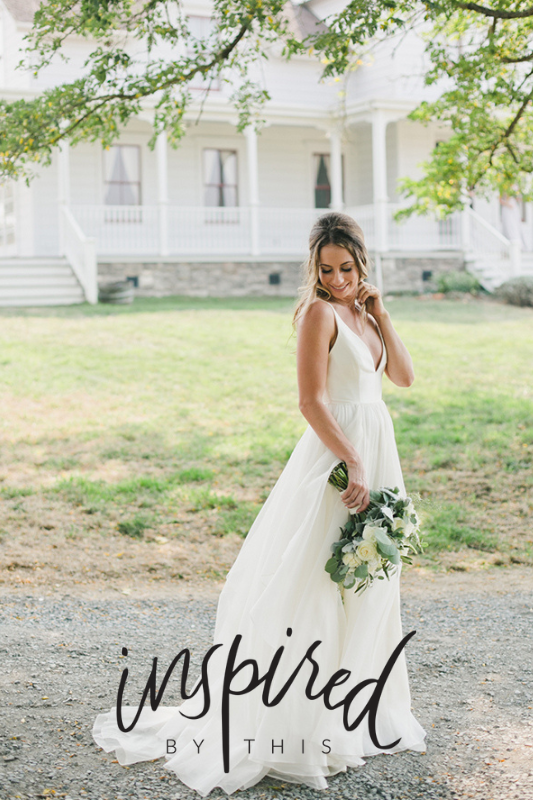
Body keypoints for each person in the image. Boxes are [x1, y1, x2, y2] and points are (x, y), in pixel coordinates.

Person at [92, 212, 427, 795]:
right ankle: (296, 718)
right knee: (318, 577)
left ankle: (352, 711)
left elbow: (403, 376)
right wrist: (352, 459)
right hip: (339, 453)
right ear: (315, 269)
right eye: (326, 269)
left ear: (363, 263)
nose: (337, 279)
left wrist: (383, 313)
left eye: (347, 268)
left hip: (379, 446)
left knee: (369, 581)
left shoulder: (364, 312)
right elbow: (310, 400)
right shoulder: (318, 314)